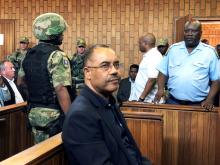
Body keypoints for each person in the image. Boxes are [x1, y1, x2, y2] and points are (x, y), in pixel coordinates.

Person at [62, 44, 151, 165]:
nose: (115, 71)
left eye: (116, 64)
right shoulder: (80, 116)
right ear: (88, 73)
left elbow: (128, 149)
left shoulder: (109, 102)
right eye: (105, 65)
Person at [18, 13, 75, 144]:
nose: (62, 35)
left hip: (33, 113)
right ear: (52, 34)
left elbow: (20, 82)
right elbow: (60, 88)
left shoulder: (28, 55)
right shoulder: (57, 55)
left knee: (40, 153)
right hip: (54, 115)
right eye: (60, 32)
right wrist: (71, 119)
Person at [154, 19, 219, 110]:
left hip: (198, 104)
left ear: (200, 33)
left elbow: (216, 79)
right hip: (173, 102)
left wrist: (210, 99)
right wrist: (160, 89)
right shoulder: (173, 49)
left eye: (194, 31)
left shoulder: (210, 52)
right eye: (187, 31)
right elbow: (163, 72)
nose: (189, 34)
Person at [129, 33, 164, 103]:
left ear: (145, 43)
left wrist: (141, 98)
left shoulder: (154, 56)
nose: (138, 45)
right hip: (144, 100)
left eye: (140, 43)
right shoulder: (149, 55)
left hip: (147, 101)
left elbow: (152, 79)